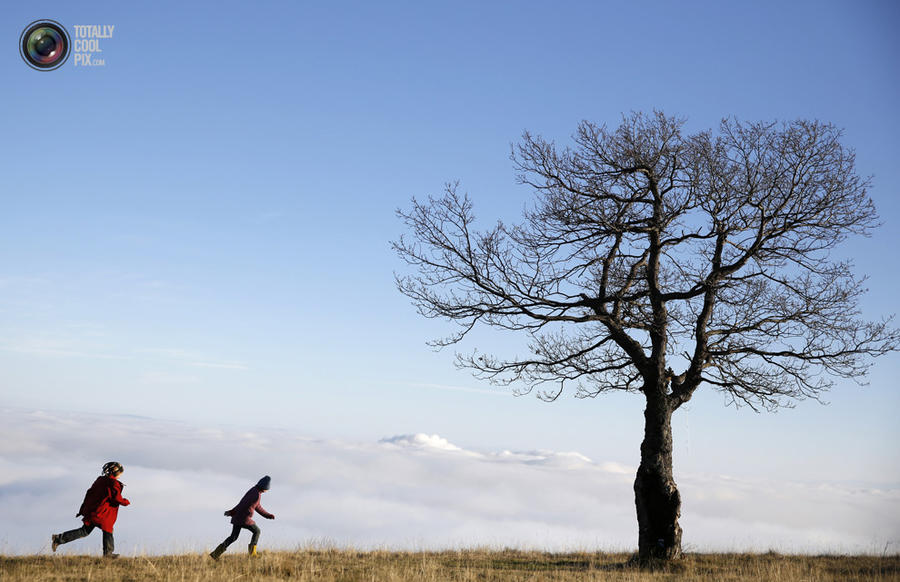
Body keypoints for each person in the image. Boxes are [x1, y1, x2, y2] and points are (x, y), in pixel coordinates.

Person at [51, 461, 130, 558]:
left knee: (84, 531)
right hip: (102, 513)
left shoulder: (100, 480)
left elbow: (89, 493)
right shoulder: (113, 483)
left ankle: (58, 539)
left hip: (93, 511)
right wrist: (125, 502)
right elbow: (116, 498)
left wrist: (83, 509)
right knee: (108, 530)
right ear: (116, 472)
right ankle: (108, 554)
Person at [209, 475, 275, 559]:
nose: (267, 490)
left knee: (233, 537)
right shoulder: (256, 495)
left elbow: (257, 506)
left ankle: (215, 554)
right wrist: (232, 511)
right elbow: (243, 504)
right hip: (243, 519)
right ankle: (252, 554)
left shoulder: (254, 491)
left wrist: (267, 515)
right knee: (257, 531)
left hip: (238, 517)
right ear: (265, 487)